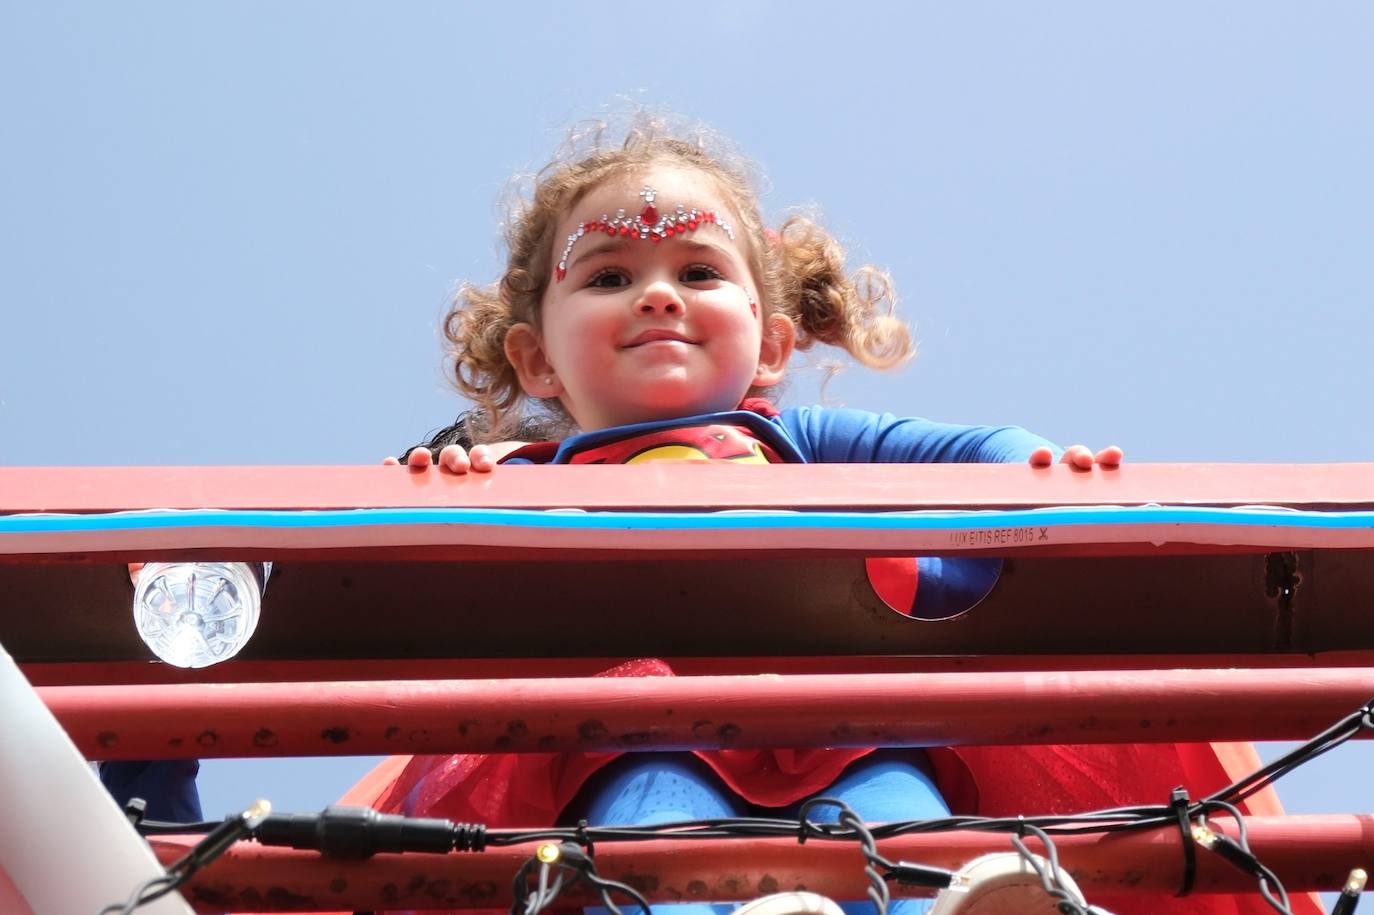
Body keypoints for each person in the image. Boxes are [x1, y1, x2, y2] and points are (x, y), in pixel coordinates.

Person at [349, 116, 1136, 915]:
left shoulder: (798, 440)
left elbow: (982, 452)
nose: (657, 293)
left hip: (838, 708)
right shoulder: (527, 476)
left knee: (901, 811)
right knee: (649, 806)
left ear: (770, 344)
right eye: (608, 278)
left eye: (698, 271)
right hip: (639, 728)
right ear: (538, 359)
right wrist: (441, 482)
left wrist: (1044, 467)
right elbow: (412, 556)